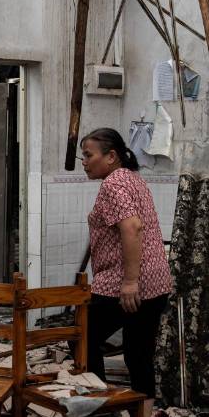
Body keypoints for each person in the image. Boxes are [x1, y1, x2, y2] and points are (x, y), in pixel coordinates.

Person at [79, 127, 173, 396]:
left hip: (124, 282)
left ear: (111, 156)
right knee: (138, 353)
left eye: (88, 155)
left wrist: (130, 282)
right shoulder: (133, 178)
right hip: (156, 281)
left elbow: (132, 227)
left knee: (83, 337)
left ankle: (98, 407)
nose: (84, 162)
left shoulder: (113, 183)